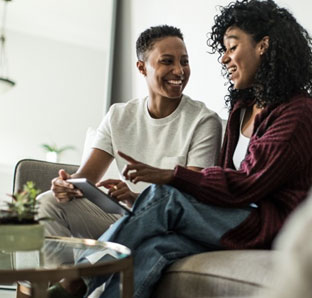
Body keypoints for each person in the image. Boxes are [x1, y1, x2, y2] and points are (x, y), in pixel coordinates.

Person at [32, 0, 312, 298]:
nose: (224, 58)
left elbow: (247, 183)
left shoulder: (298, 112)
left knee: (164, 195)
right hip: (232, 220)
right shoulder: (243, 107)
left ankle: (75, 279)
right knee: (153, 248)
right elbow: (227, 184)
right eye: (223, 50)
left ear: (263, 46)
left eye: (232, 47)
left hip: (268, 229)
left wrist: (171, 176)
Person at [38, 25, 222, 239]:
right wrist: (66, 185)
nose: (179, 71)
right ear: (142, 68)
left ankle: (78, 272)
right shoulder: (118, 115)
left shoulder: (204, 121)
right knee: (47, 202)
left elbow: (192, 198)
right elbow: (85, 178)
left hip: (167, 223)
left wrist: (135, 198)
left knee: (123, 231)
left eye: (184, 61)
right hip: (123, 216)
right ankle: (66, 272)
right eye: (167, 61)